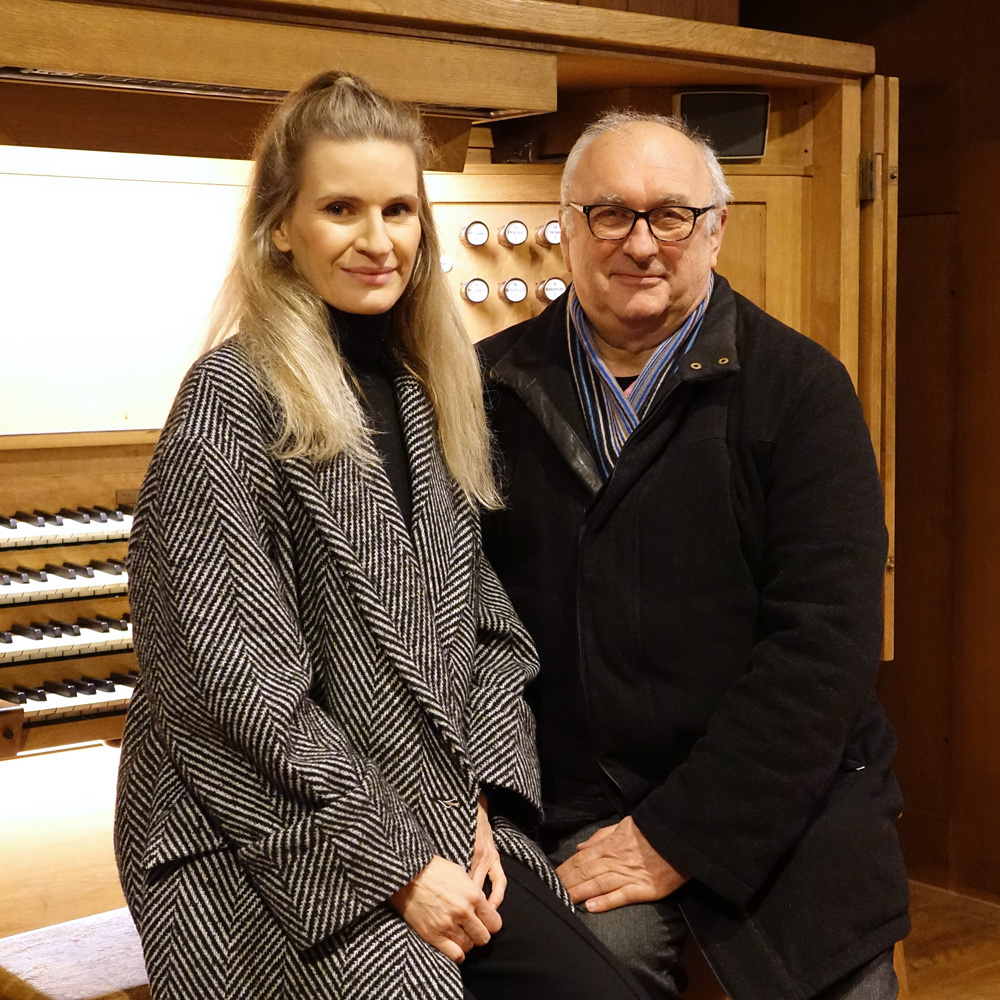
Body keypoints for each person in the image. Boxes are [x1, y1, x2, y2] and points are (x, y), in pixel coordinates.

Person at [113, 73, 650, 1000]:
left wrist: (478, 800)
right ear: (280, 227)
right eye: (340, 208)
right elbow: (234, 698)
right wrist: (398, 864)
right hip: (266, 840)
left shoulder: (423, 385)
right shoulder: (230, 401)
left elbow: (485, 631)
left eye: (399, 208)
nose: (377, 239)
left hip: (432, 806)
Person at [479, 110, 911, 1000]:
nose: (642, 243)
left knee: (831, 969)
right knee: (579, 967)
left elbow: (822, 653)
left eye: (670, 215)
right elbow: (456, 624)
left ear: (715, 229)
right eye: (611, 214)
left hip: (782, 795)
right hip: (578, 798)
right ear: (566, 229)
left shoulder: (802, 392)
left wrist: (680, 834)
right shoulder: (482, 388)